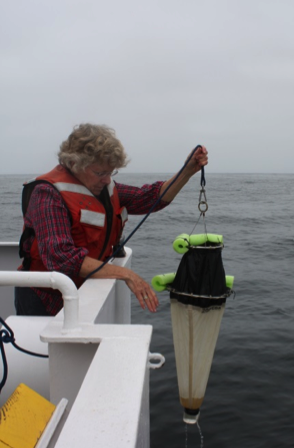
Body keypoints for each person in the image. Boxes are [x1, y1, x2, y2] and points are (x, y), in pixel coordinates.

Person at [16, 123, 209, 316]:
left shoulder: (103, 187)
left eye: (111, 172)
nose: (108, 180)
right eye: (100, 173)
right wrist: (127, 274)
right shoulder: (47, 193)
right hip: (43, 300)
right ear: (74, 164)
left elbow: (150, 199)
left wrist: (188, 171)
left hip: (81, 293)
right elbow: (61, 258)